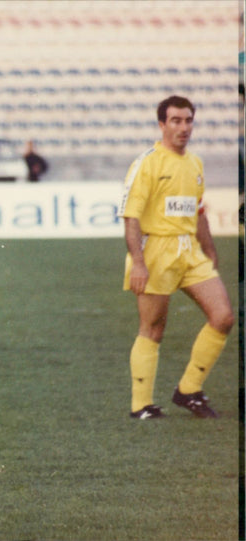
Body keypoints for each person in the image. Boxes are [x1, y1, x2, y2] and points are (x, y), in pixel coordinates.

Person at [119, 95, 234, 420]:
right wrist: (138, 262)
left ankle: (188, 389)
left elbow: (197, 211)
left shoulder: (195, 163)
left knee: (223, 317)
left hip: (191, 251)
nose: (184, 128)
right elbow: (131, 216)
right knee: (152, 328)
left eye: (188, 121)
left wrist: (209, 248)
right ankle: (141, 405)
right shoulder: (148, 162)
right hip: (157, 251)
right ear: (162, 124)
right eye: (176, 121)